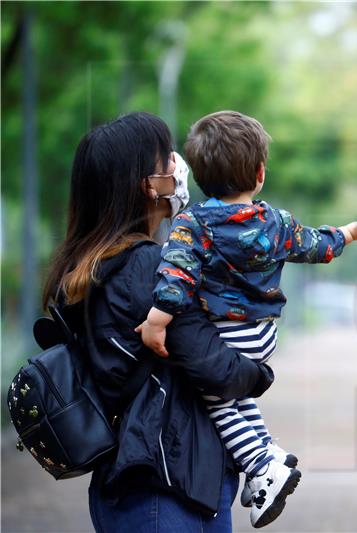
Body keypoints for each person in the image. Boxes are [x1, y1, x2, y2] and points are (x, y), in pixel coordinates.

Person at [136, 110, 357, 527]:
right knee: (236, 398)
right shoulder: (275, 221)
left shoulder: (193, 223)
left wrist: (156, 320)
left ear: (198, 176)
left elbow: (176, 275)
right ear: (259, 173)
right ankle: (271, 452)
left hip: (225, 335)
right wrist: (346, 233)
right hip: (263, 336)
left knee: (213, 398)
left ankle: (257, 465)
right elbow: (314, 246)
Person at [42, 112, 275, 533]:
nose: (177, 166)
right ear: (148, 186)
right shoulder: (149, 268)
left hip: (154, 482)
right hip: (164, 487)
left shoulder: (95, 268)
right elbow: (215, 367)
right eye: (167, 159)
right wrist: (260, 371)